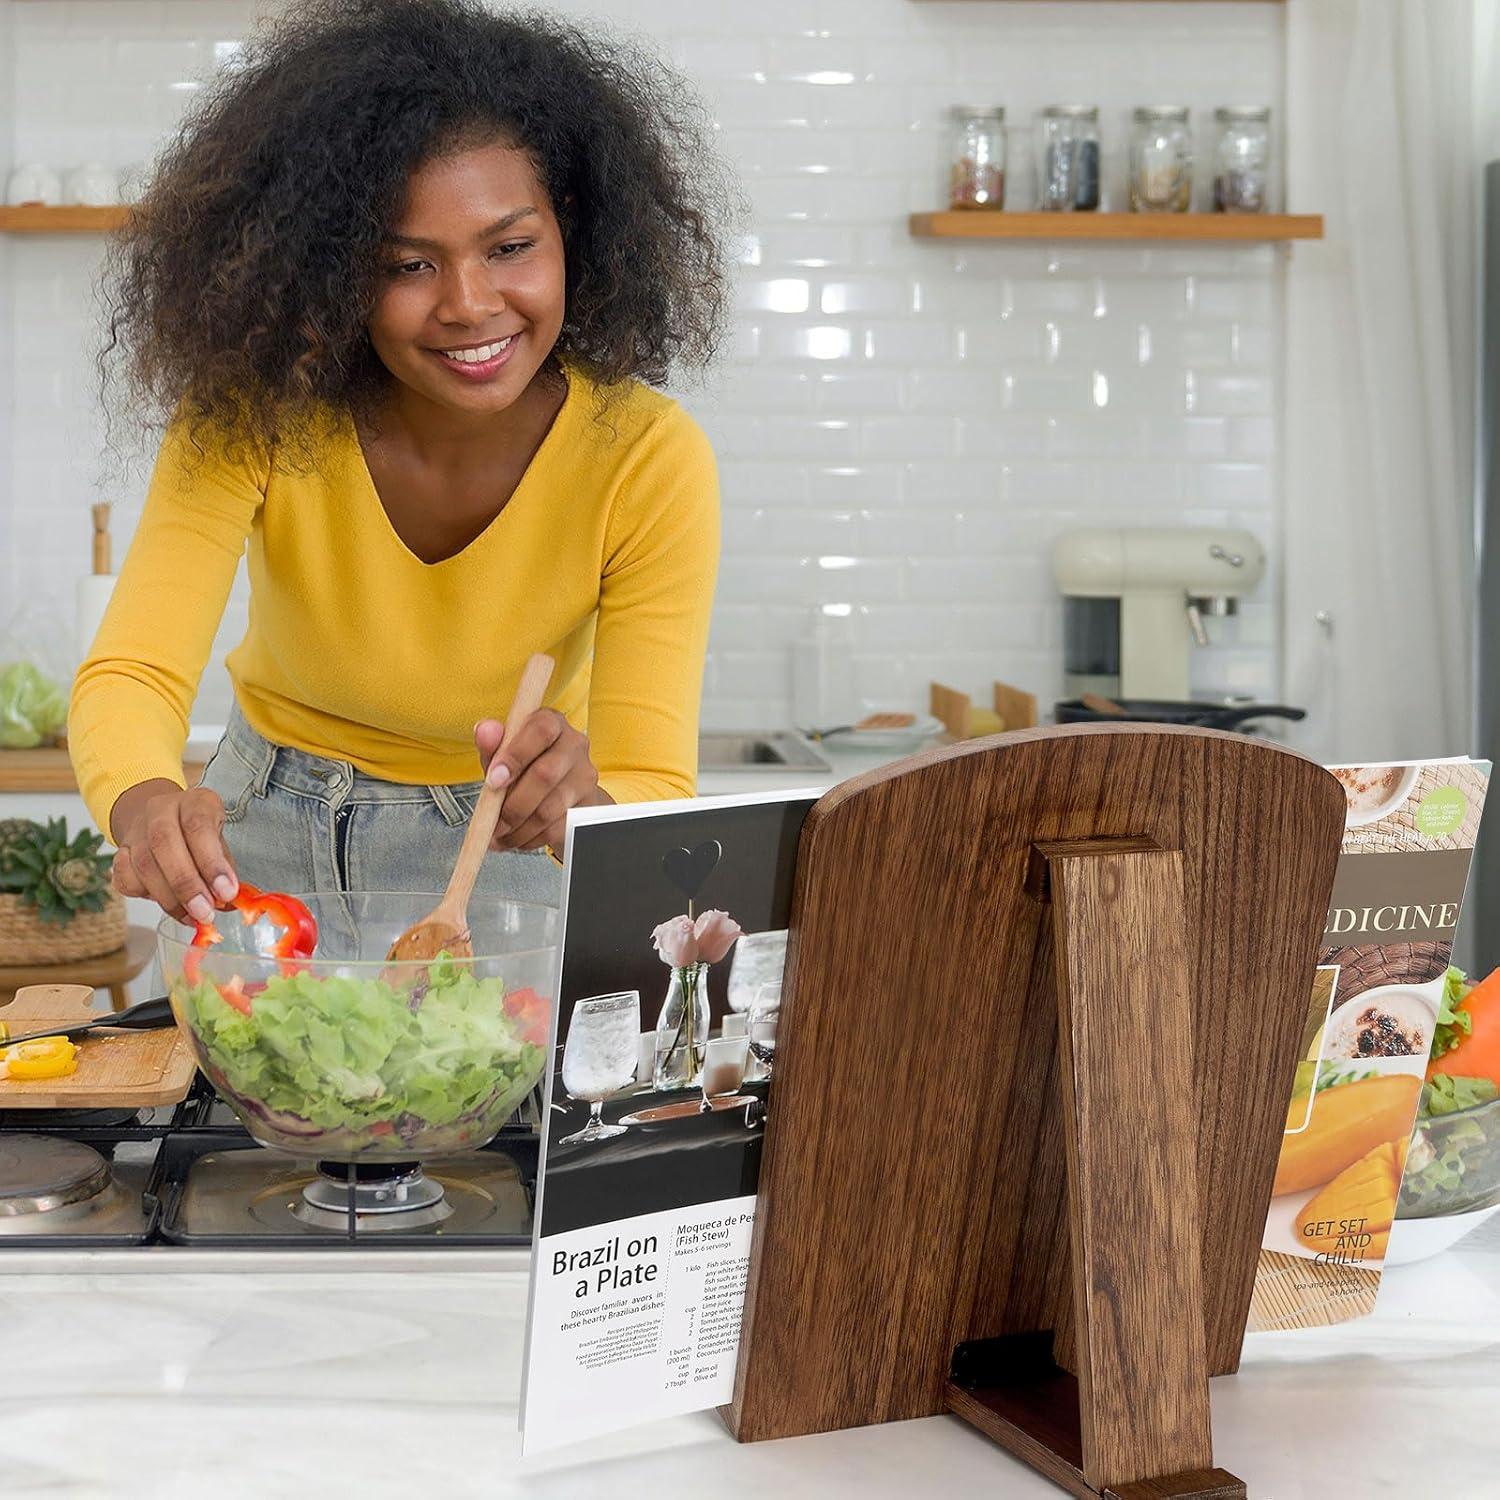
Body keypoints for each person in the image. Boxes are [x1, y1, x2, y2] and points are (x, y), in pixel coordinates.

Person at [69, 0, 729, 927]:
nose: (469, 304)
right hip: (257, 846)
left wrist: (586, 808)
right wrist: (142, 804)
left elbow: (650, 781)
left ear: (570, 225)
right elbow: (134, 670)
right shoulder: (253, 417)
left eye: (510, 247)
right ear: (332, 268)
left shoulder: (648, 458)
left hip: (503, 862)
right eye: (408, 265)